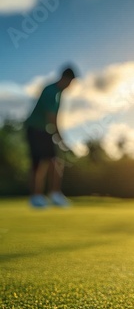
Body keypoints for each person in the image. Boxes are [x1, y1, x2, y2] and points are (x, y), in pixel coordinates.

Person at [25, 67, 76, 207]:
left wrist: (59, 138)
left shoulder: (59, 94)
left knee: (55, 161)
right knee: (38, 163)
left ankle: (55, 194)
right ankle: (36, 198)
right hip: (35, 129)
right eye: (70, 82)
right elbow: (52, 119)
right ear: (65, 79)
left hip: (45, 130)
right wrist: (61, 139)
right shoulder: (51, 92)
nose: (70, 85)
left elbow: (55, 118)